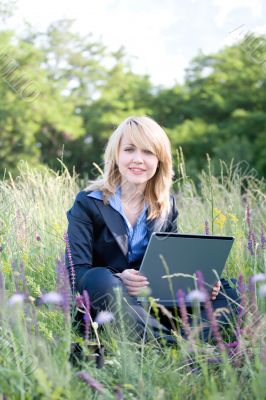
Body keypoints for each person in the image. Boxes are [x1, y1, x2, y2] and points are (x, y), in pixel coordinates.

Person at [65, 116, 238, 344]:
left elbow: (171, 265)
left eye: (148, 152)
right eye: (129, 149)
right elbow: (77, 273)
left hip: (157, 304)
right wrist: (119, 277)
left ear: (159, 160)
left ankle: (180, 341)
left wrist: (201, 284)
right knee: (99, 278)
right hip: (111, 304)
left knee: (231, 289)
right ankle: (174, 345)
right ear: (116, 155)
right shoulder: (88, 202)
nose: (138, 159)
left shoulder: (166, 205)